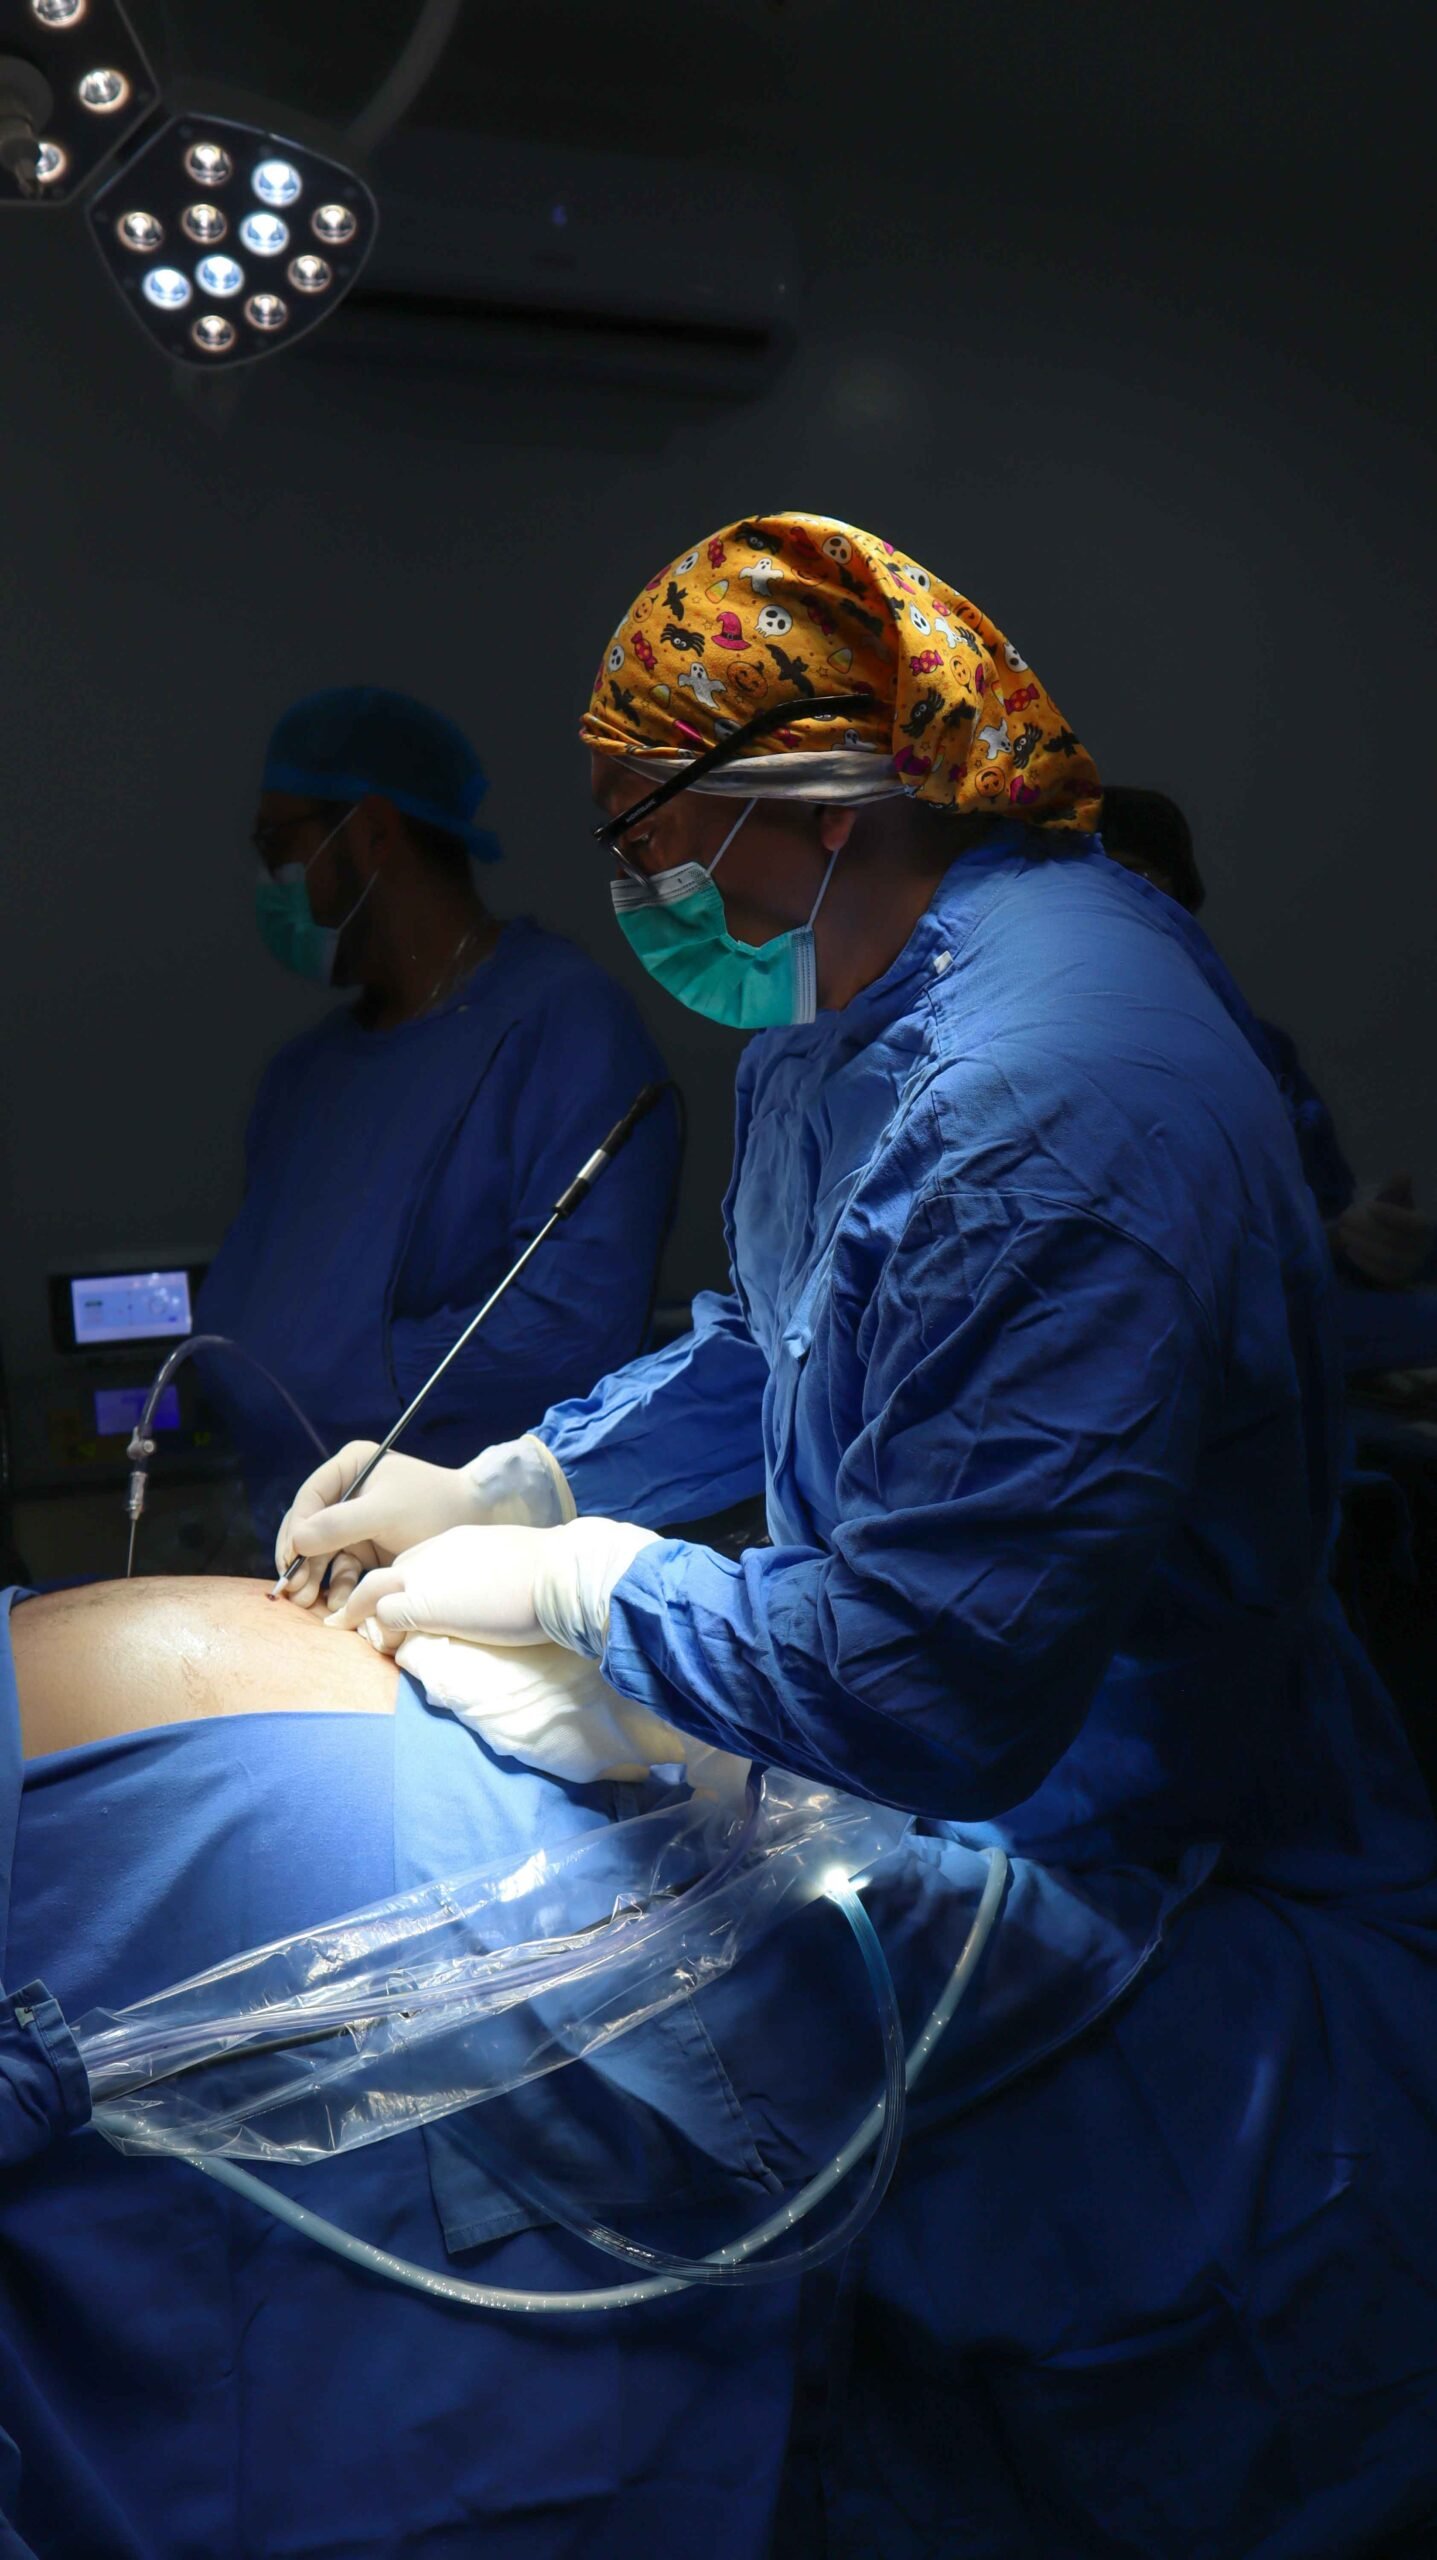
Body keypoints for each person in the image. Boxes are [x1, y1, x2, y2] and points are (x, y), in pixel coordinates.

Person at [280, 513, 1437, 2557]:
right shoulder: (858, 1015)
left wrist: (579, 1589)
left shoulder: (1058, 1095)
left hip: (1163, 1900)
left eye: (645, 824)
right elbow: (779, 1328)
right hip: (983, 1799)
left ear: (808, 797)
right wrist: (522, 1479)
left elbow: (928, 1680)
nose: (638, 879)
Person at [195, 685, 680, 1537]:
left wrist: (319, 1369)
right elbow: (253, 1327)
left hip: (471, 1551)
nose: (268, 882)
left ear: (372, 833)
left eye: (279, 846)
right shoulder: (304, 1078)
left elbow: (568, 1335)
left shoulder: (561, 1028)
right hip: (283, 1536)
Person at [1100, 782, 1436, 1282]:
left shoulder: (1259, 1054)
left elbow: (1321, 1217)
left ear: (1181, 903)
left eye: (1134, 875)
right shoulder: (1013, 1061)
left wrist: (1369, 1243)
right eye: (1082, 880)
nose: (1107, 899)